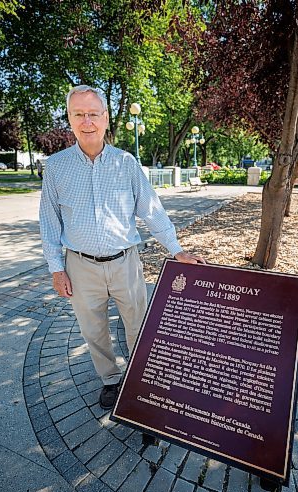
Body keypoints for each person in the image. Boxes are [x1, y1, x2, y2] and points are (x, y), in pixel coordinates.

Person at [39, 85, 205, 412]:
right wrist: (56, 269)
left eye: (93, 113)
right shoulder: (56, 167)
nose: (87, 121)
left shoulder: (126, 163)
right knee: (93, 330)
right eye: (78, 114)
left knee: (138, 323)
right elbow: (49, 222)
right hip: (80, 267)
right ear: (70, 119)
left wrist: (177, 250)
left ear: (105, 118)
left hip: (125, 263)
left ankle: (142, 379)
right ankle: (111, 381)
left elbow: (151, 211)